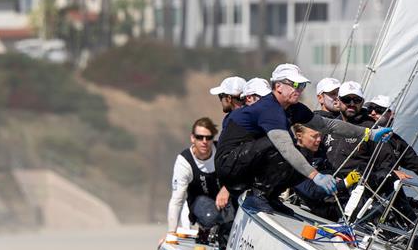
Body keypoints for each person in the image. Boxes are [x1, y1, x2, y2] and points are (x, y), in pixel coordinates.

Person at [214, 63, 392, 214]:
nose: (298, 90)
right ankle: (257, 195)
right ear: (278, 87)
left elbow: (328, 125)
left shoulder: (294, 108)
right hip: (229, 166)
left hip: (249, 160)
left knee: (302, 154)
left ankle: (270, 196)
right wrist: (316, 176)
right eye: (294, 85)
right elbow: (284, 147)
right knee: (285, 146)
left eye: (302, 86)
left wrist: (368, 134)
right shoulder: (269, 108)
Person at [167, 117, 232, 239]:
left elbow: (240, 175)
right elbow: (177, 200)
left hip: (225, 202)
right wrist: (171, 233)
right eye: (199, 137)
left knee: (233, 217)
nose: (204, 141)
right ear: (192, 138)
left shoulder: (222, 152)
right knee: (210, 216)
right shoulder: (184, 162)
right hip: (199, 205)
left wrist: (226, 189)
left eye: (208, 138)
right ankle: (206, 231)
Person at [291, 123, 361, 220]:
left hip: (335, 205)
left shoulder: (318, 153)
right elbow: (310, 191)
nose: (319, 139)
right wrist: (345, 183)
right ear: (299, 136)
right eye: (314, 136)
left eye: (320, 135)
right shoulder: (294, 158)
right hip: (314, 208)